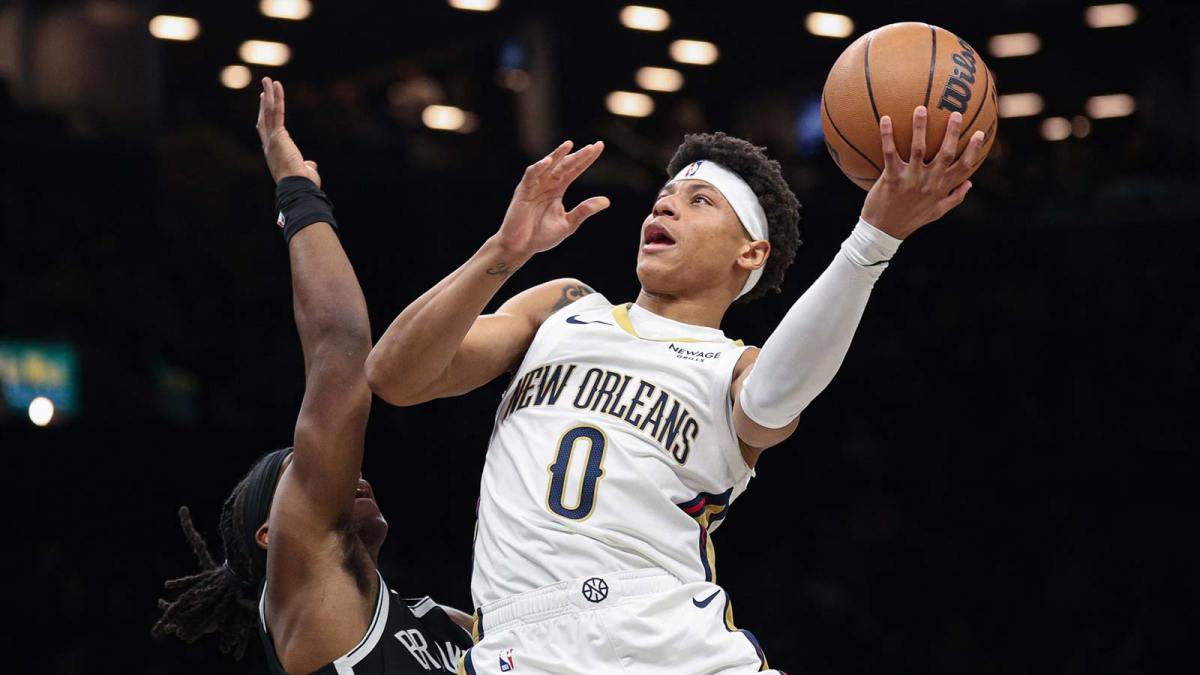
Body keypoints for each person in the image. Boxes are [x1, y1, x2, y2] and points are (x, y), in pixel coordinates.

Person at [366, 107, 985, 673]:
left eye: (698, 202)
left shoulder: (736, 369)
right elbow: (394, 377)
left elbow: (776, 396)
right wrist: (504, 250)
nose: (663, 209)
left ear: (751, 252)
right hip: (520, 645)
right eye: (663, 198)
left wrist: (873, 239)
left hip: (667, 639)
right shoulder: (561, 308)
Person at [153, 78, 473, 674]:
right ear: (275, 537)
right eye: (299, 471)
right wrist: (296, 194)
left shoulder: (441, 623)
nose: (338, 470)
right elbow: (340, 346)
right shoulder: (307, 606)